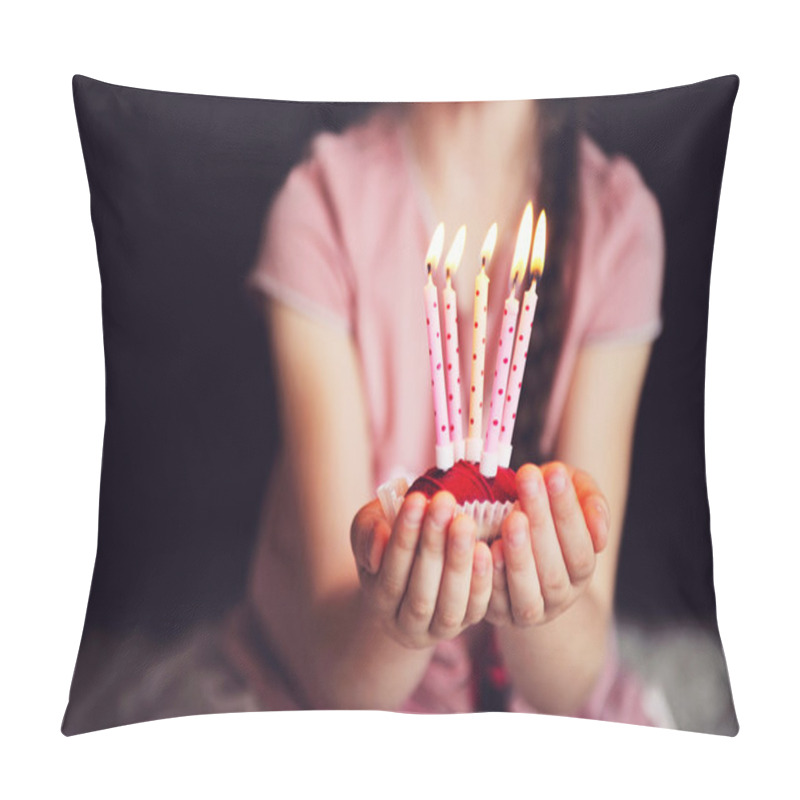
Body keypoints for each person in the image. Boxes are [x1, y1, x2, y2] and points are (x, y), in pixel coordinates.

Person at [239, 98, 667, 721]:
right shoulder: (321, 209)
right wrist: (402, 620)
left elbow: (573, 683)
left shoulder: (618, 222)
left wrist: (541, 594)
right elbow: (339, 680)